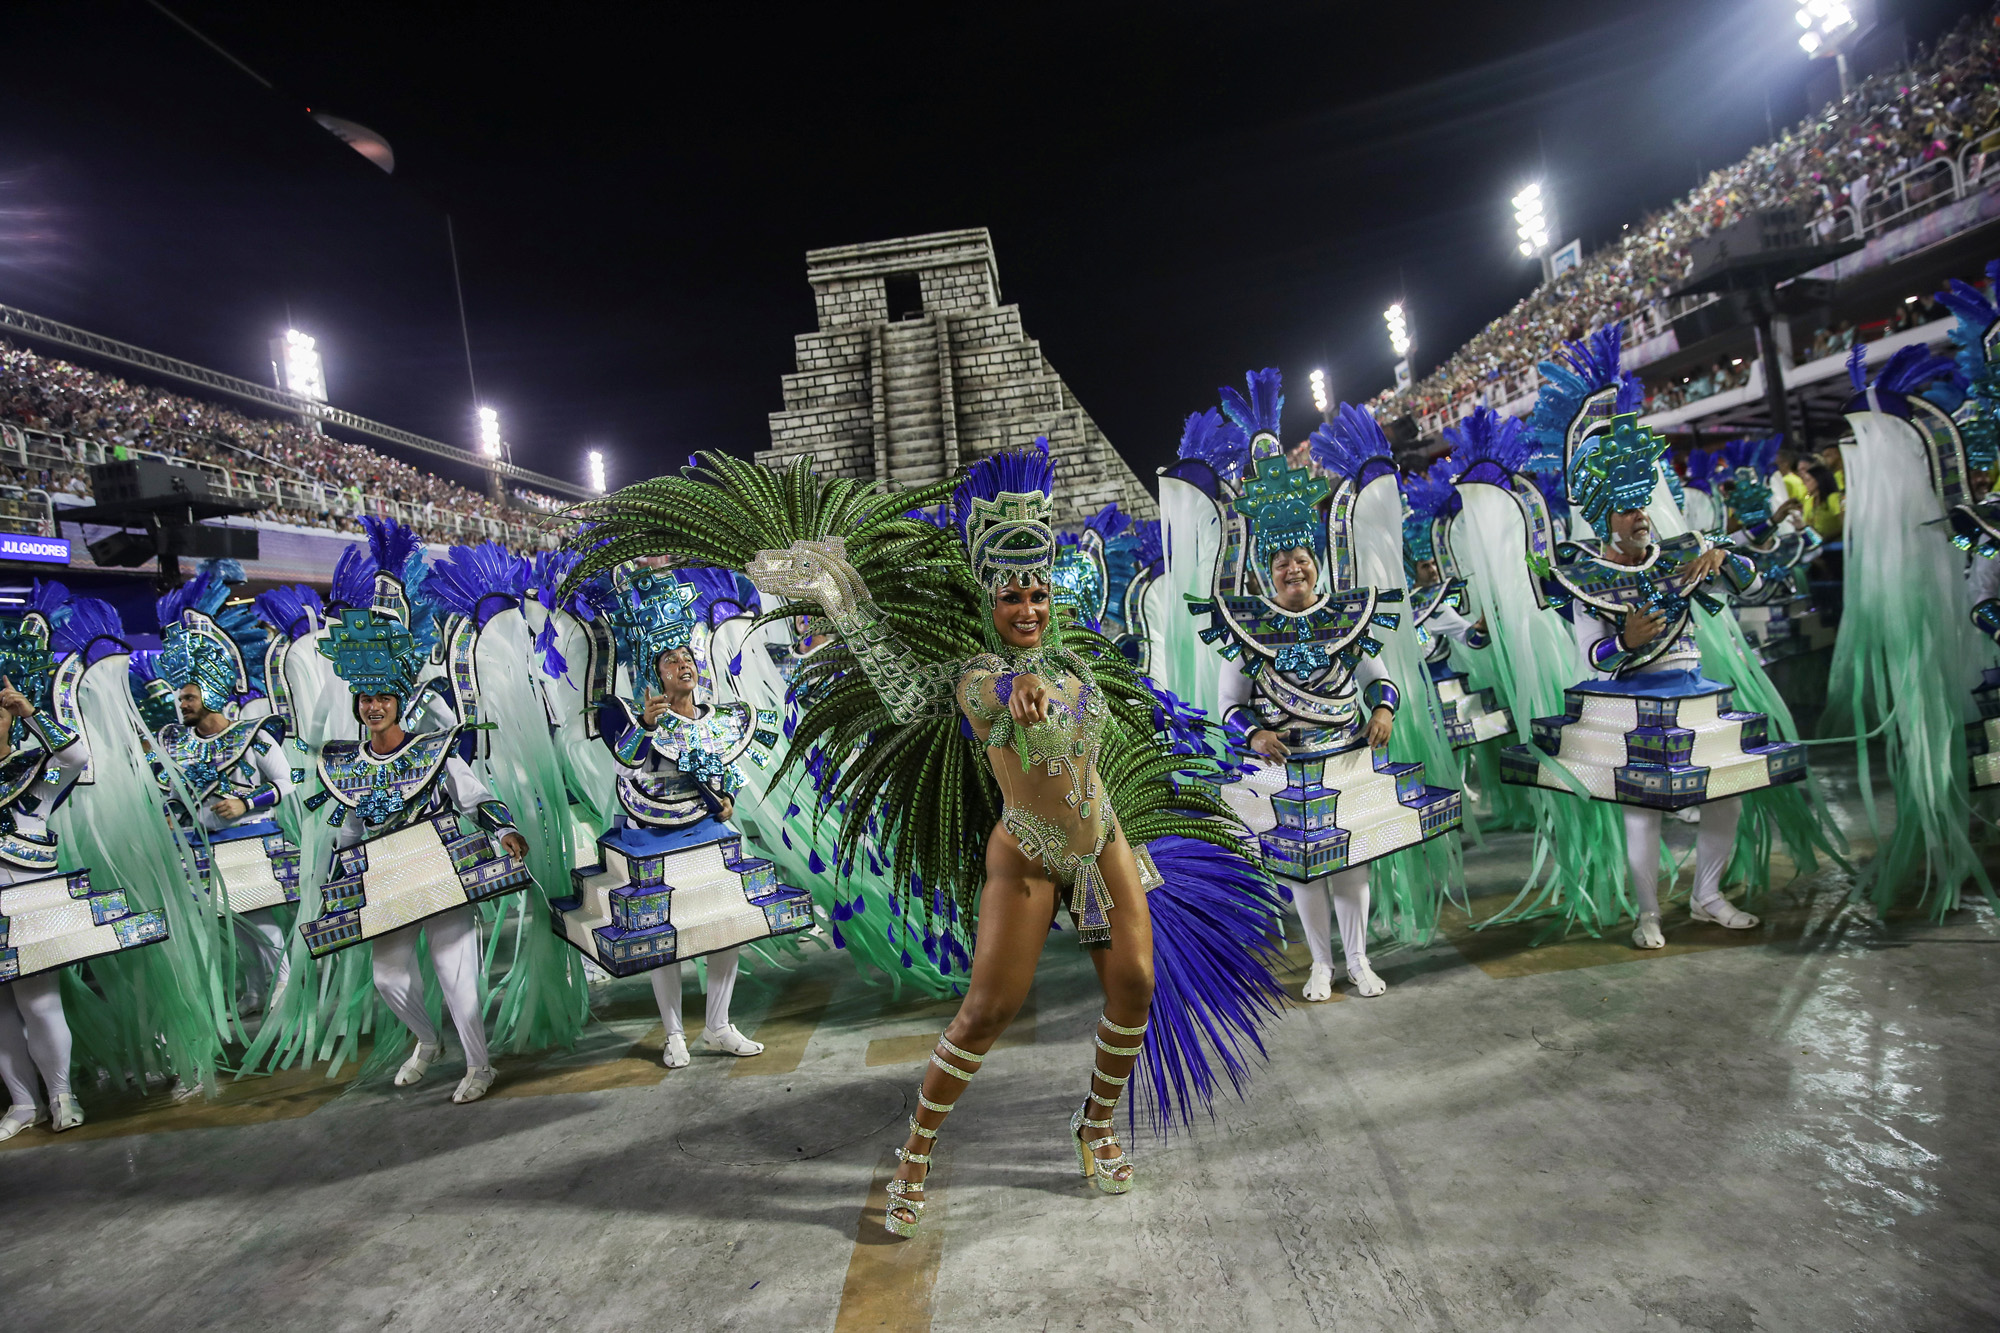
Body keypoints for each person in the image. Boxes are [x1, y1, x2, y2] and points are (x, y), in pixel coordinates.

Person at [559, 439, 1283, 1240]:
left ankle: (1095, 1121)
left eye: (1037, 593)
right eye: (1012, 597)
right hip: (1029, 854)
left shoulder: (1078, 663)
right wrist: (865, 608)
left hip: (1104, 842)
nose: (1028, 609)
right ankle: (914, 1152)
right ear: (989, 601)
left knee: (1137, 986)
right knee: (986, 1011)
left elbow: (1095, 725)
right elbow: (963, 690)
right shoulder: (979, 675)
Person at [1178, 373, 1460, 1002]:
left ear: (1315, 561)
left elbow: (1378, 678)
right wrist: (1254, 732)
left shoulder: (1346, 614)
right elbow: (1227, 706)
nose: (1295, 568)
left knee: (1355, 860)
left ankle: (1358, 960)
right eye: (1282, 564)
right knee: (1306, 874)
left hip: (1349, 758)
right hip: (1287, 770)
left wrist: (1384, 710)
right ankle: (1321, 964)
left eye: (1301, 559)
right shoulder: (1246, 626)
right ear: (1268, 571)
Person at [559, 566, 806, 1068]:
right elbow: (624, 758)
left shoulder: (718, 716)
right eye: (669, 660)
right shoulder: (623, 713)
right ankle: (674, 1034)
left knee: (726, 926)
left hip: (708, 830)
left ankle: (718, 1025)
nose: (683, 664)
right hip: (650, 834)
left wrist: (727, 798)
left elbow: (722, 774)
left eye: (687, 656)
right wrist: (649, 724)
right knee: (663, 936)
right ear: (654, 673)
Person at [297, 606, 531, 1105]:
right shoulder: (346, 765)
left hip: (442, 870)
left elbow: (474, 796)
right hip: (383, 880)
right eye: (366, 698)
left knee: (456, 975)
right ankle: (427, 1039)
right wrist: (340, 889)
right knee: (388, 976)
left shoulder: (435, 749)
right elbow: (349, 831)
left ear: (400, 702)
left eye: (383, 697)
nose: (374, 706)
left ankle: (478, 1065)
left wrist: (504, 829)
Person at [142, 570, 299, 1015]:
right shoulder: (176, 741)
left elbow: (289, 783)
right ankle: (253, 991)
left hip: (250, 839)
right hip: (204, 846)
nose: (182, 703)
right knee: (233, 924)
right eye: (180, 697)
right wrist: (171, 808)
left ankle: (284, 992)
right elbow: (168, 791)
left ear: (210, 692)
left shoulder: (254, 737)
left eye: (189, 696)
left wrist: (246, 802)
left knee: (261, 920)